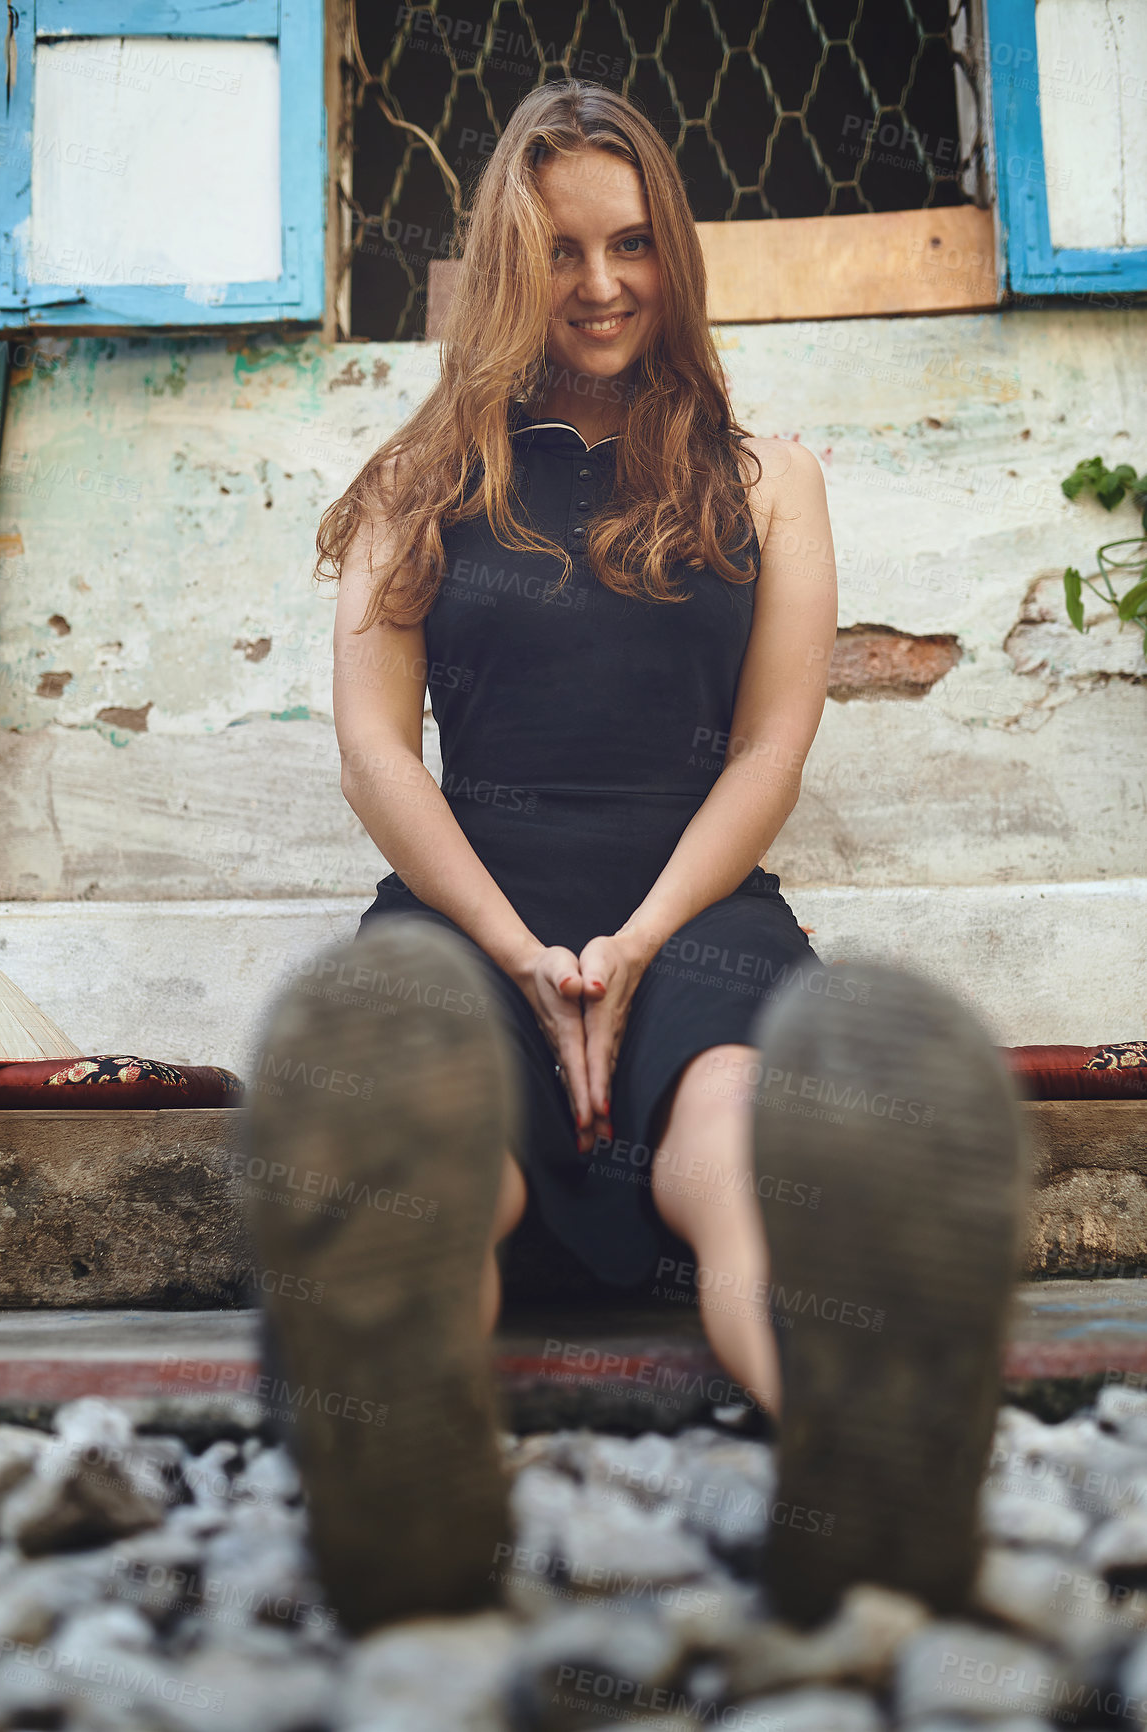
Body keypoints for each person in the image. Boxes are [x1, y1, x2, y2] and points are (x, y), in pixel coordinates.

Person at [246, 81, 1025, 1639]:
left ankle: (852, 1434)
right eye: (557, 253)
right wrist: (527, 955)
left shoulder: (763, 476)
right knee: (427, 1160)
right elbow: (379, 756)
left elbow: (768, 753)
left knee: (742, 1134)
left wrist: (644, 941)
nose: (599, 285)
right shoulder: (416, 482)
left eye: (630, 247)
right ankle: (404, 1468)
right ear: (504, 263)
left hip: (703, 909)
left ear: (672, 251)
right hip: (464, 920)